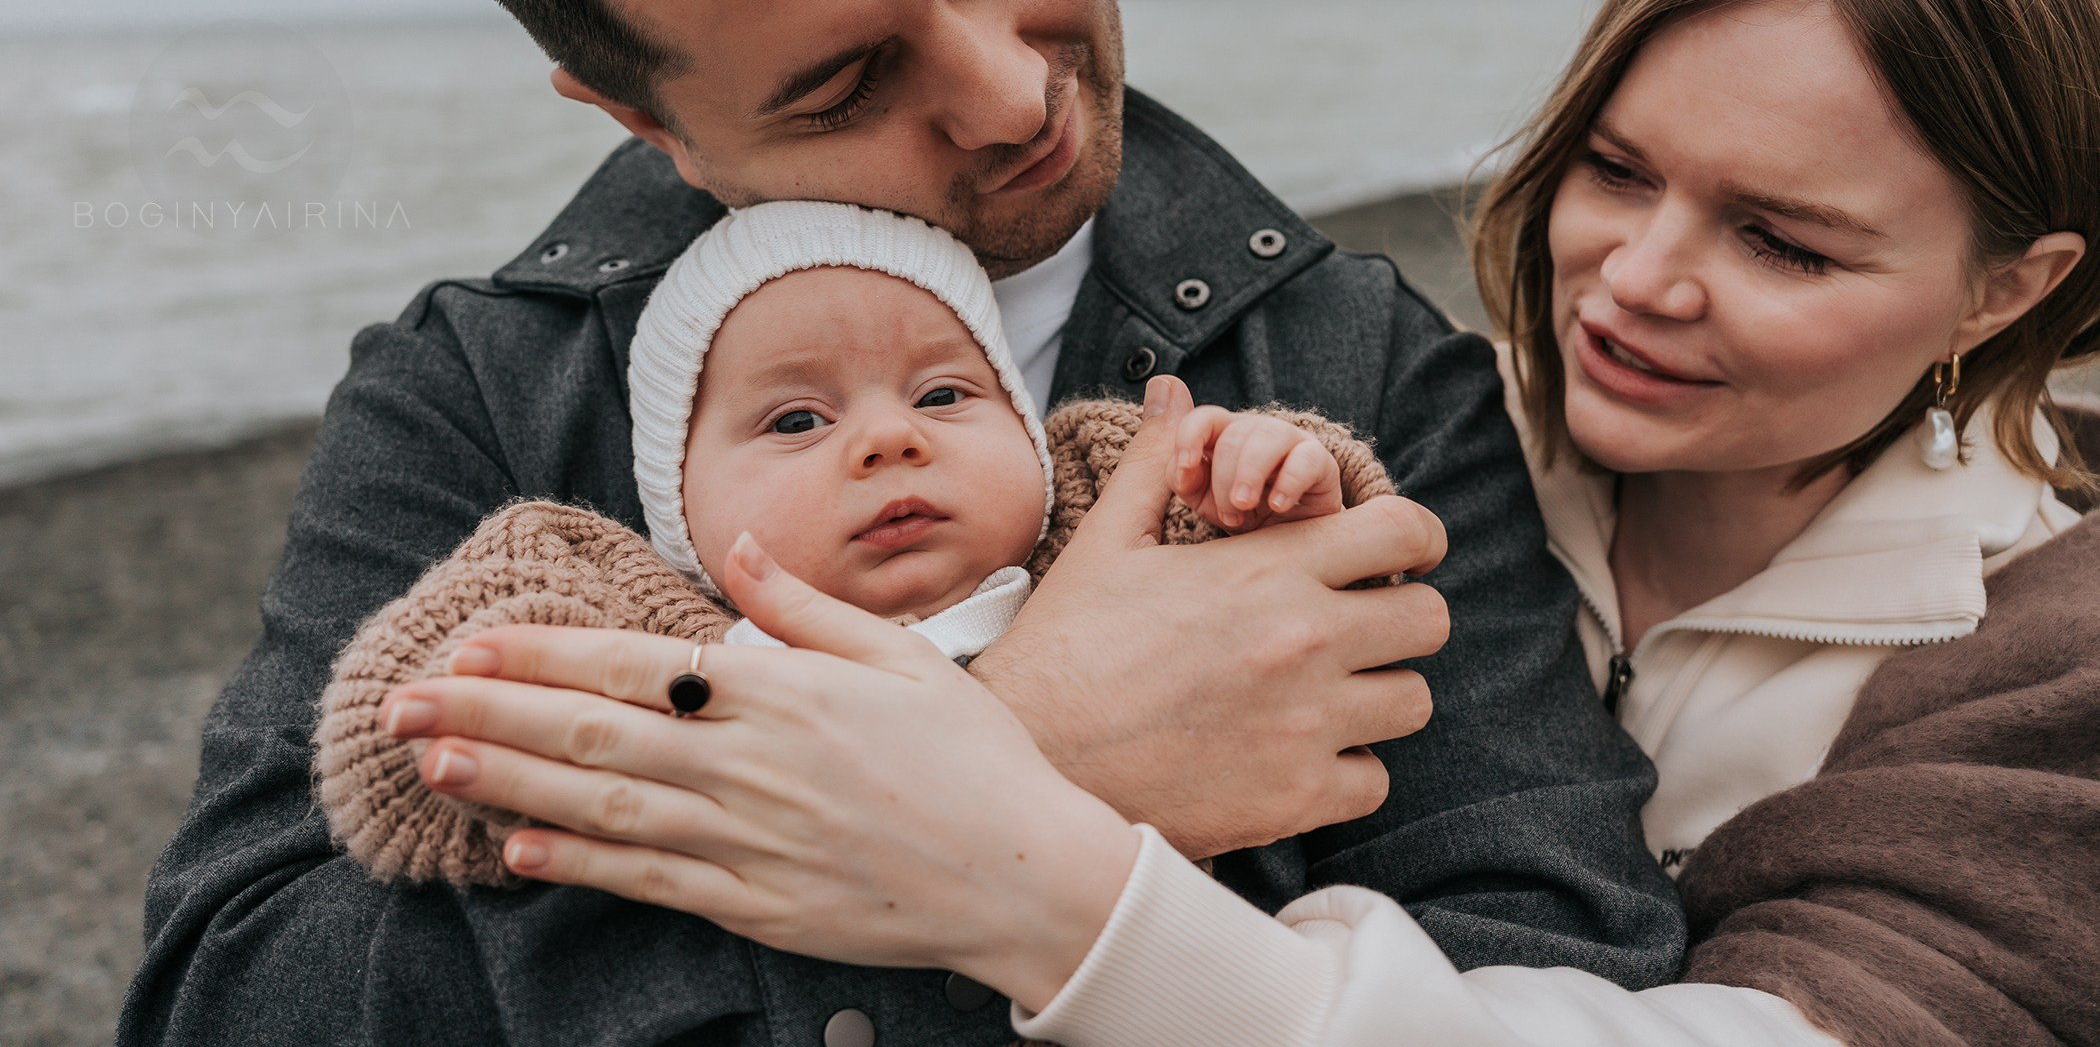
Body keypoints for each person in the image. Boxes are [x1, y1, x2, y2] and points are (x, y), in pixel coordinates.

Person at [121, 0, 1685, 1043]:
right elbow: (234, 989)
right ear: (636, 115)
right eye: (842, 85)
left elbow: (1562, 959)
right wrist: (1018, 754)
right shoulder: (474, 402)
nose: (1011, 96)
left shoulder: (1346, 367)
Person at [404, 0, 2100, 1046]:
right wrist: (1033, 729)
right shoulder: (1408, 424)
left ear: (2004, 292)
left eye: (1784, 242)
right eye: (1619, 168)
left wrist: (1032, 843)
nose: (1635, 281)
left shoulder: (2047, 657)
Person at [313, 200, 1396, 886]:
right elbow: (391, 750)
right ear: (676, 505)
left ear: (1026, 426)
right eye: (795, 419)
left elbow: (1339, 560)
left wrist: (1272, 476)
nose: (889, 436)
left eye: (944, 390)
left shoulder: (1091, 500)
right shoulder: (639, 603)